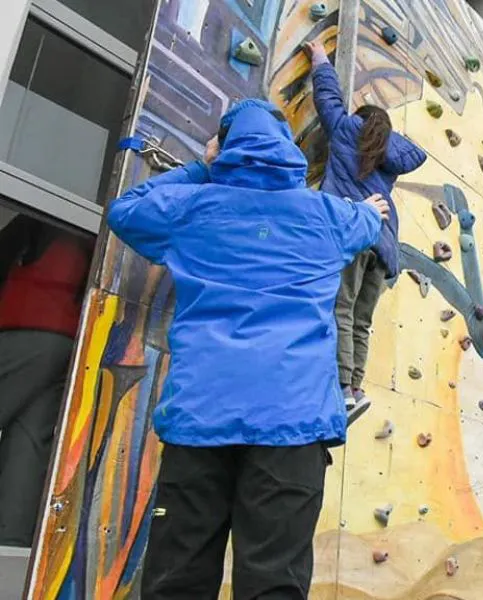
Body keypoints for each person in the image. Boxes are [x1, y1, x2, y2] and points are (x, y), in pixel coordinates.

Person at [107, 98, 388, 598]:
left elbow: (124, 211)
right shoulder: (326, 216)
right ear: (286, 150)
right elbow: (370, 223)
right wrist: (368, 209)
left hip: (201, 420)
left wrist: (200, 166)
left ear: (227, 146)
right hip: (294, 423)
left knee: (178, 578)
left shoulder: (192, 208)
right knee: (273, 581)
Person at [303, 38, 427, 419]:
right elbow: (416, 152)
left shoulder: (344, 130)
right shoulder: (390, 155)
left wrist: (321, 59)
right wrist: (386, 134)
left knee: (340, 307)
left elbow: (327, 98)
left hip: (355, 230)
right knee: (361, 320)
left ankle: (341, 388)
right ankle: (356, 387)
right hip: (383, 243)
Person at [0, 215, 92, 547]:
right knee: (27, 445)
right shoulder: (84, 226)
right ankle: (10, 547)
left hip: (20, 327)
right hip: (65, 344)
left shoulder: (35, 216)